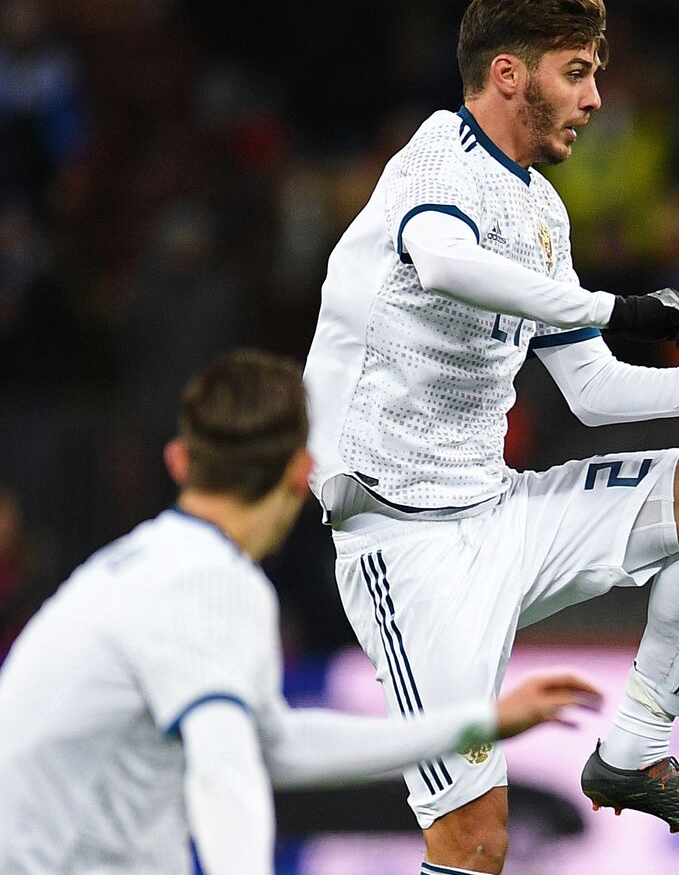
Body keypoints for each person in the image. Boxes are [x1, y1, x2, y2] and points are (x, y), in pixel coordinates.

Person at [301, 0, 679, 873]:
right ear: (510, 74)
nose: (594, 97)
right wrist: (611, 307)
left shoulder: (541, 209)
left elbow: (592, 391)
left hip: (504, 513)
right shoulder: (435, 159)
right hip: (405, 543)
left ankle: (633, 751)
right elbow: (442, 262)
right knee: (475, 842)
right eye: (577, 71)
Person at [0, 350, 601, 875]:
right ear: (301, 472)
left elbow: (272, 744)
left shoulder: (133, 567)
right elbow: (222, 774)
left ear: (180, 461)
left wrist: (477, 723)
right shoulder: (212, 582)